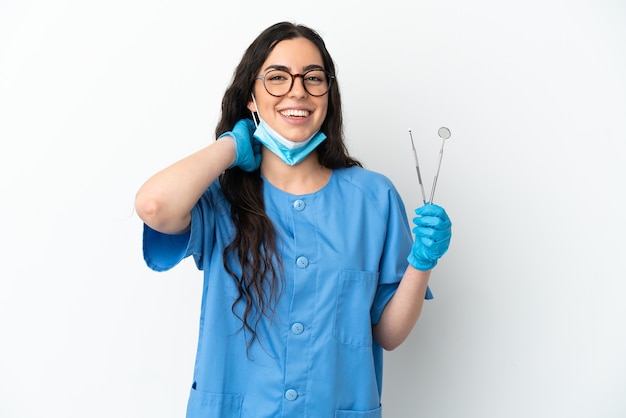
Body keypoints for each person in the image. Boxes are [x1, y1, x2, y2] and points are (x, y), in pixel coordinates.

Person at [135, 21, 452, 418]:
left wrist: (422, 263)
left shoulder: (373, 198)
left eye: (313, 78)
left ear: (328, 95)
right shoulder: (221, 198)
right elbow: (153, 206)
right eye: (277, 77)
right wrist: (231, 147)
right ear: (250, 96)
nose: (297, 90)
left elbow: (388, 335)